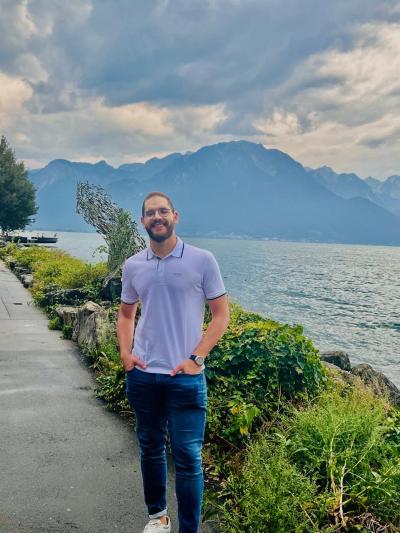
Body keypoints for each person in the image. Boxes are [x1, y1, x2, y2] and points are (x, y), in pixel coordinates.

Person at [117, 192, 229, 533]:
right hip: (143, 375)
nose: (157, 217)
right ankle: (158, 518)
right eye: (150, 213)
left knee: (188, 458)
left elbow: (221, 315)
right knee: (150, 449)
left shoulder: (202, 260)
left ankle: (188, 529)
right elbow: (126, 314)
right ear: (143, 221)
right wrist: (125, 353)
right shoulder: (133, 265)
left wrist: (197, 357)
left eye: (163, 211)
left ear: (175, 216)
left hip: (186, 378)